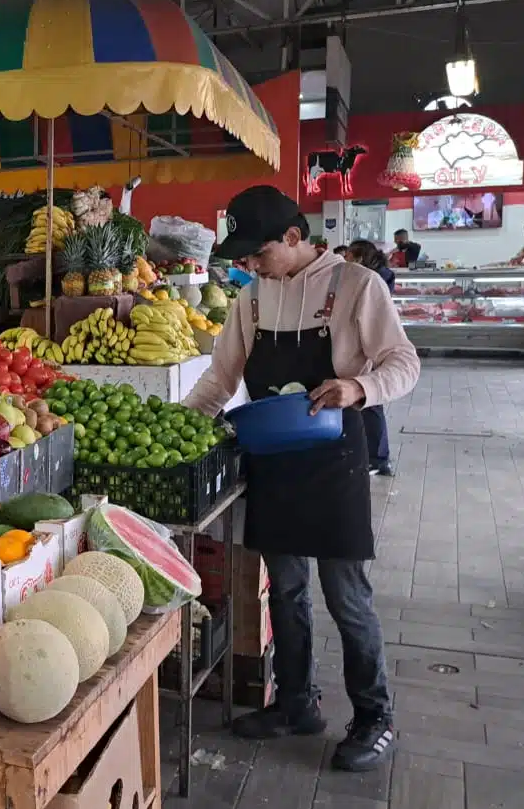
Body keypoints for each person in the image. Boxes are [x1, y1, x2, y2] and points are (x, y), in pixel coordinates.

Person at [186, 185, 420, 773]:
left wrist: (359, 388)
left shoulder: (356, 287)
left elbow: (404, 362)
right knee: (285, 591)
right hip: (274, 462)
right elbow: (219, 379)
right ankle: (295, 703)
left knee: (347, 596)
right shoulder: (251, 299)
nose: (249, 265)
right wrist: (181, 430)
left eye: (257, 254)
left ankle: (374, 716)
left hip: (335, 458)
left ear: (293, 237)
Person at [345, 240, 397, 475]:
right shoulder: (370, 274)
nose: (346, 261)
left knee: (371, 403)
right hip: (366, 346)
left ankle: (378, 458)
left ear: (359, 257)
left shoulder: (373, 278)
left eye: (349, 256)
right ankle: (375, 456)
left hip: (373, 347)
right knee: (368, 406)